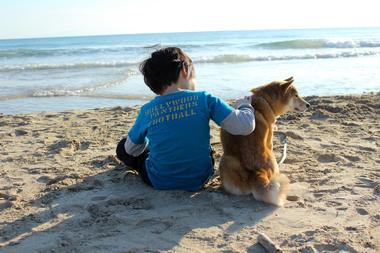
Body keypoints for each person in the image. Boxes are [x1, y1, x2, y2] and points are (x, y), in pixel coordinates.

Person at [116, 47, 255, 191]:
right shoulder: (205, 99)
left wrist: (147, 141)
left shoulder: (148, 110)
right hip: (200, 177)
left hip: (159, 180)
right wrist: (244, 105)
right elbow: (245, 126)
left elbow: (131, 150)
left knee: (122, 147)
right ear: (184, 70)